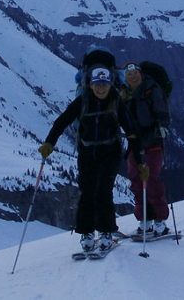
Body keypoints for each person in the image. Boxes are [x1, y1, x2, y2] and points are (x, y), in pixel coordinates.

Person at [38, 63, 128, 255]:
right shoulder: (82, 101)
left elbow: (130, 127)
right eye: (97, 84)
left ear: (110, 84)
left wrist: (139, 152)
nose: (101, 88)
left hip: (110, 152)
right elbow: (62, 121)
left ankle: (105, 232)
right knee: (87, 192)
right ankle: (87, 234)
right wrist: (49, 143)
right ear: (90, 85)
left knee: (104, 191)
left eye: (104, 84)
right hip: (87, 153)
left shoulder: (116, 101)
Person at [120, 61, 171, 237]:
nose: (132, 76)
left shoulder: (151, 89)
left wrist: (163, 125)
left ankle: (159, 220)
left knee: (151, 179)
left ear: (140, 74)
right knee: (136, 180)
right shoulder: (124, 93)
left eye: (134, 73)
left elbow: (161, 109)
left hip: (153, 141)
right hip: (135, 142)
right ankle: (144, 220)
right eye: (128, 74)